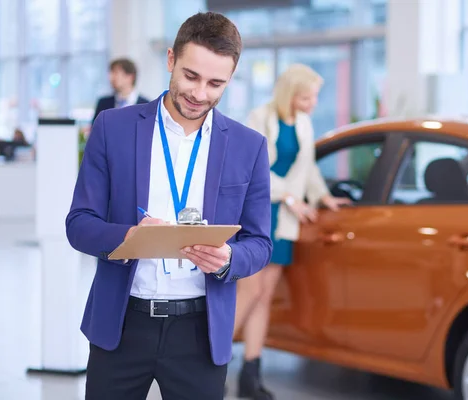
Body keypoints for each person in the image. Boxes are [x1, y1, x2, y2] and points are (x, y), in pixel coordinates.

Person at [66, 11, 272, 400]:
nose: (200, 94)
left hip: (200, 332)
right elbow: (79, 223)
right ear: (170, 60)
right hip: (122, 325)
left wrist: (229, 258)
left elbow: (260, 244)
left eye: (216, 83)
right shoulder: (113, 128)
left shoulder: (249, 147)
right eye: (191, 76)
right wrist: (129, 237)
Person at [231, 64, 351, 399]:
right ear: (290, 94)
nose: (313, 103)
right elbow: (250, 170)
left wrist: (324, 196)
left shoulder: (303, 123)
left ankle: (250, 374)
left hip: (285, 217)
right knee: (250, 293)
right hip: (260, 211)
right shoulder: (261, 117)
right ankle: (208, 359)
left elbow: (308, 166)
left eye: (314, 97)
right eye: (306, 97)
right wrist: (287, 195)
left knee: (265, 297)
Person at [92, 58, 150, 123]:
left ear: (130, 77)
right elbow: (95, 130)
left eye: (116, 73)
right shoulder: (103, 103)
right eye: (111, 73)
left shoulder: (147, 106)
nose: (111, 77)